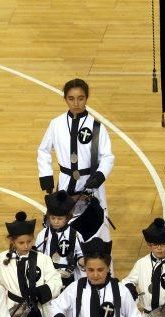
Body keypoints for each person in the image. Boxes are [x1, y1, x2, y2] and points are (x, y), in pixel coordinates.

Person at [37, 78, 114, 243]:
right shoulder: (56, 124)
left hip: (91, 182)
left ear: (86, 98)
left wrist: (100, 175)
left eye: (80, 98)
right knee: (63, 225)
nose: (76, 103)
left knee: (95, 227)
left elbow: (107, 156)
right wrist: (46, 175)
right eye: (71, 98)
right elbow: (43, 150)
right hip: (65, 181)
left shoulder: (97, 127)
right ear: (65, 99)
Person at [35, 190, 85, 288]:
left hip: (69, 278)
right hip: (48, 277)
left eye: (60, 219)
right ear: (48, 217)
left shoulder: (75, 235)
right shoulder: (43, 234)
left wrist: (81, 261)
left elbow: (80, 254)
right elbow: (38, 254)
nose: (56, 222)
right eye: (53, 218)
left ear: (67, 218)